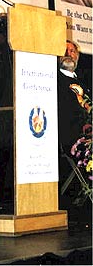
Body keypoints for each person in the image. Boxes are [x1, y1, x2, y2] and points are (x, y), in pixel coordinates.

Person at [57, 40, 92, 215]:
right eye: (65, 50)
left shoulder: (84, 82)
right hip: (71, 136)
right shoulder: (54, 81)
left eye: (73, 51)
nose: (69, 53)